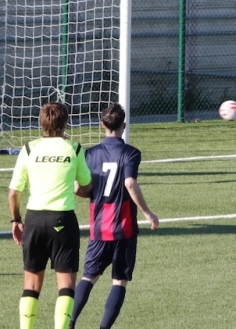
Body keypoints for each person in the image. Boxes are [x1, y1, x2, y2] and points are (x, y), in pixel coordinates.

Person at [70, 103, 159, 329]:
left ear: (102, 125)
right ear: (124, 125)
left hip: (99, 228)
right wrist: (148, 213)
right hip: (124, 228)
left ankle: (68, 324)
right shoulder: (131, 153)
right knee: (119, 281)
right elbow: (129, 183)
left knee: (88, 278)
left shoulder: (89, 154)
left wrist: (94, 193)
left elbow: (78, 189)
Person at [7, 102, 92, 329]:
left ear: (41, 123)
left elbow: (14, 193)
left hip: (34, 220)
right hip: (63, 220)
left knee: (31, 285)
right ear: (65, 123)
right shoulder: (74, 149)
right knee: (65, 285)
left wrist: (16, 220)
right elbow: (86, 186)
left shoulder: (28, 149)